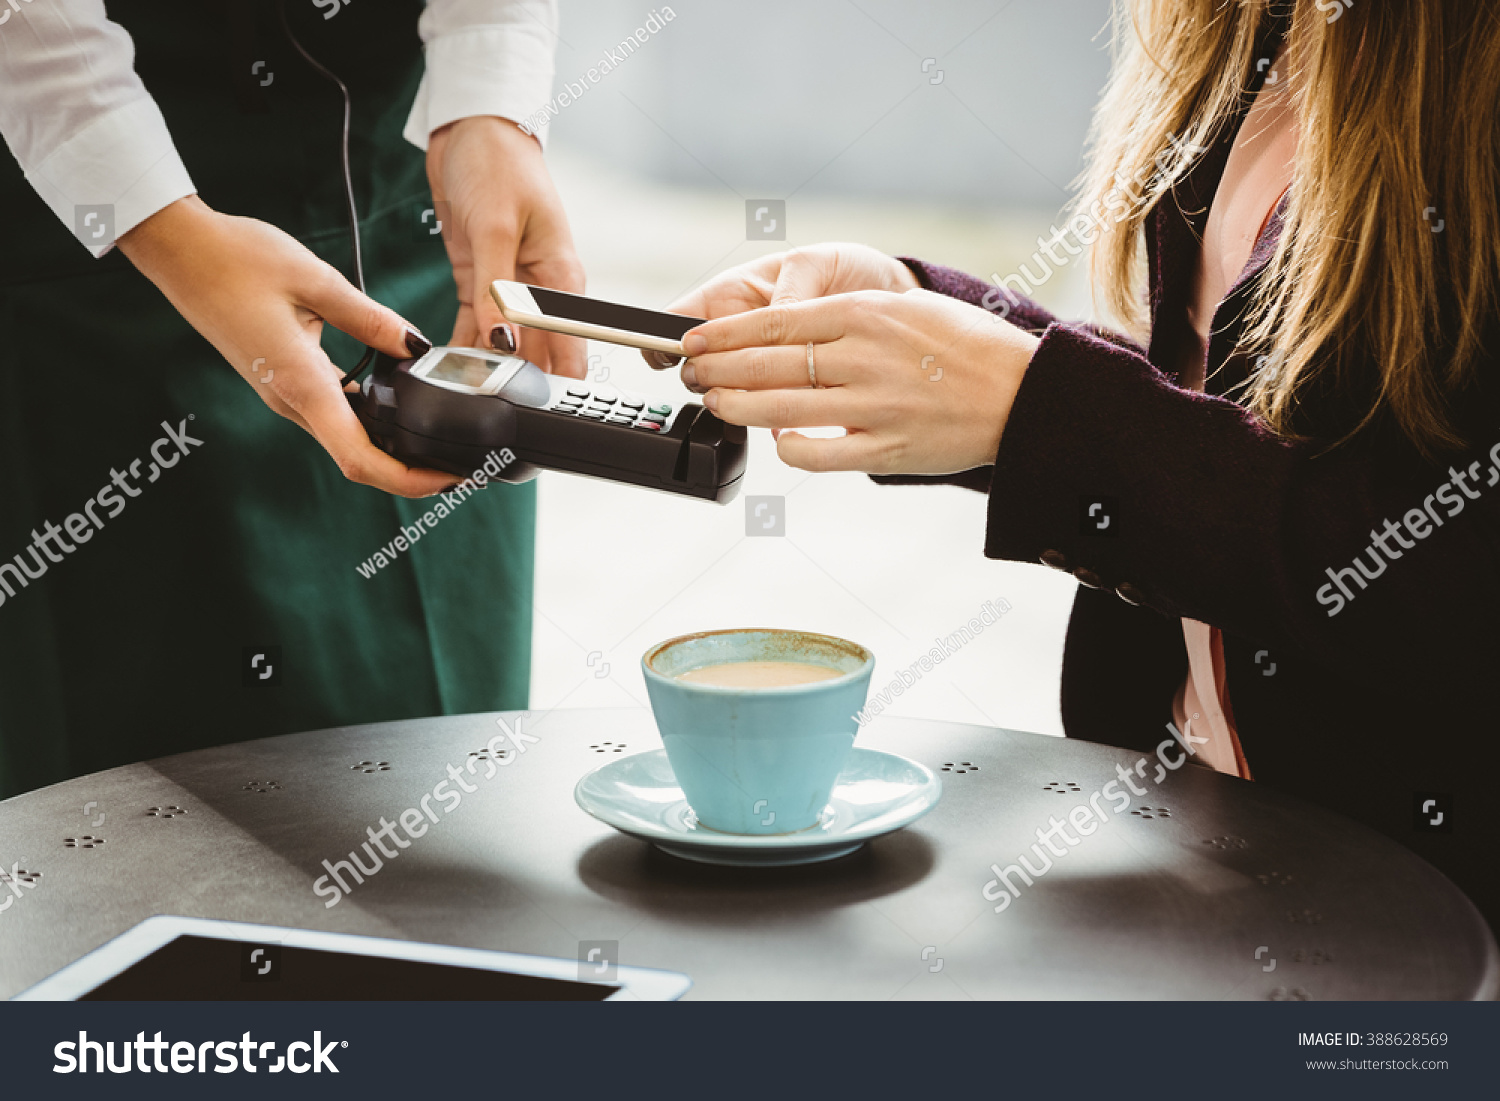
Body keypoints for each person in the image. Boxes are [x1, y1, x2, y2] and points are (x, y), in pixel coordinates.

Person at [651, 0, 1500, 928]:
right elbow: (1224, 422)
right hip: (1184, 838)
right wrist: (933, 319)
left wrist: (1038, 409)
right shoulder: (1264, 30)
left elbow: (1443, 570)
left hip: (1406, 914)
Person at [0, 0, 582, 797]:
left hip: (402, 191)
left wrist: (489, 95)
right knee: (124, 798)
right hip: (79, 220)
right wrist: (159, 224)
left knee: (439, 795)